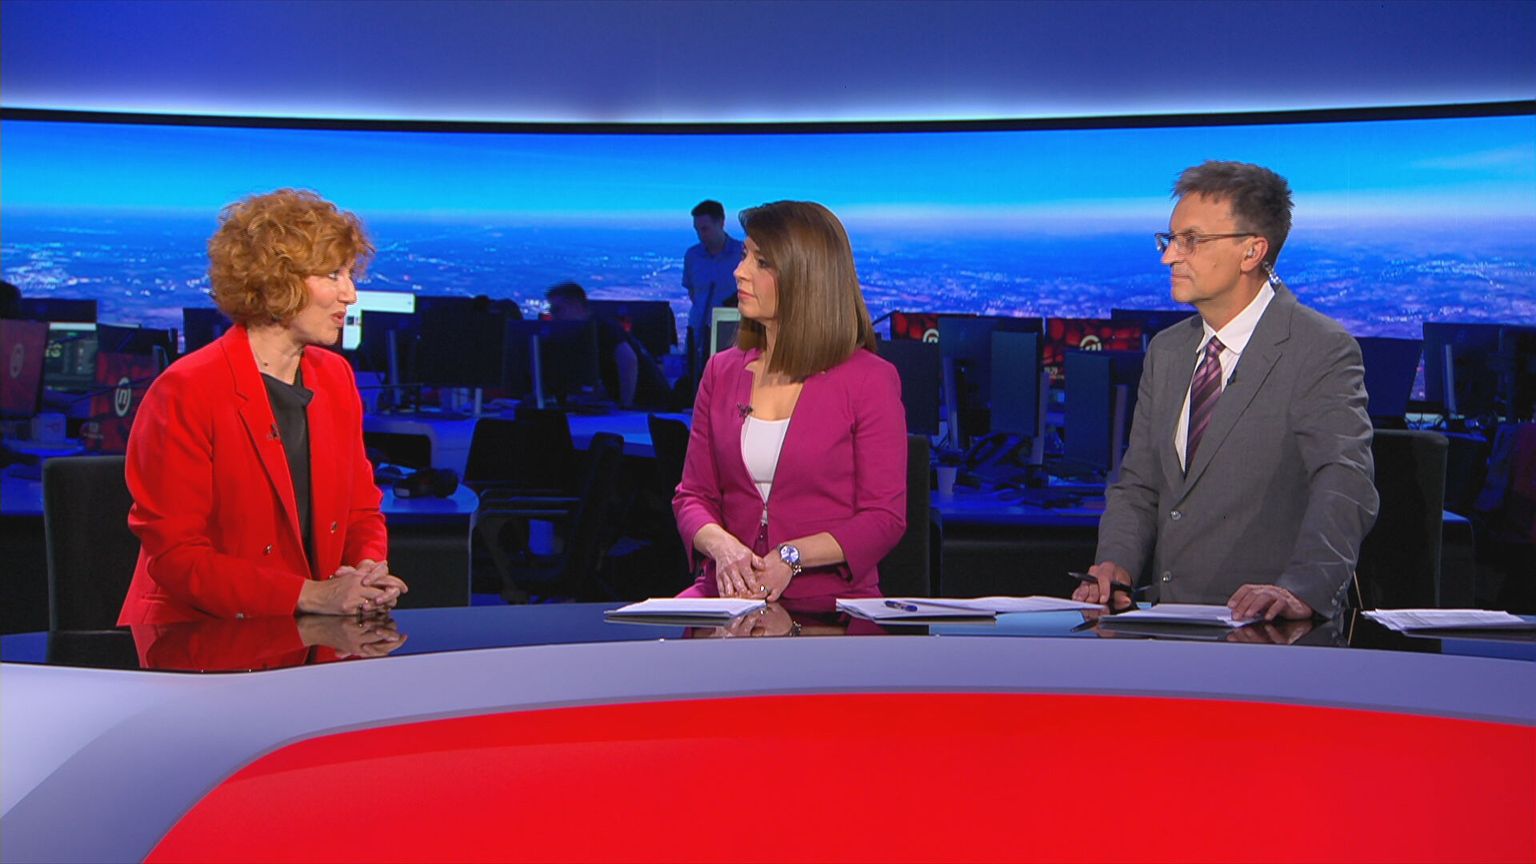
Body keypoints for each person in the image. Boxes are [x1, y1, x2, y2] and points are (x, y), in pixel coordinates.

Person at [1075, 161, 1378, 621]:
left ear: (1252, 251)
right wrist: (1116, 564)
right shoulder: (1168, 351)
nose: (1169, 257)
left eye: (1190, 240)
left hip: (1268, 630)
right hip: (1168, 626)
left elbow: (1344, 482)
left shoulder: (1319, 348)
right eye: (1169, 239)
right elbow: (1139, 484)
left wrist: (1302, 589)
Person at [118, 189, 408, 625]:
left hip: (310, 629)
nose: (350, 294)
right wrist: (311, 595)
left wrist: (367, 568)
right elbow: (177, 557)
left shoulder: (335, 377)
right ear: (277, 282)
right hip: (198, 635)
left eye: (349, 274)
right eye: (333, 275)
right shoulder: (186, 390)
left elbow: (360, 509)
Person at [673, 200, 906, 603]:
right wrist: (723, 549)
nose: (740, 272)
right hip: (726, 596)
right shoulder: (721, 372)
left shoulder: (869, 380)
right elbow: (692, 497)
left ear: (806, 278)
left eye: (762, 262)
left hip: (831, 603)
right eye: (745, 255)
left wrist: (790, 556)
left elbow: (884, 518)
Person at [545, 281, 671, 409]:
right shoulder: (585, 331)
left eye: (556, 310)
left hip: (650, 405)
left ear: (576, 305)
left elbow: (629, 360)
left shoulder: (603, 327)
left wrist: (626, 405)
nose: (553, 316)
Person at [682, 199, 745, 383]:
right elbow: (692, 291)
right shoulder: (693, 255)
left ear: (721, 223)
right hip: (697, 331)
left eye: (705, 229)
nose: (701, 235)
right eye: (697, 230)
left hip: (730, 333)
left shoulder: (741, 254)